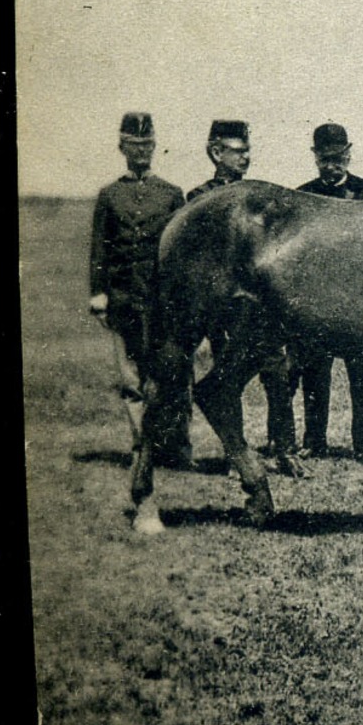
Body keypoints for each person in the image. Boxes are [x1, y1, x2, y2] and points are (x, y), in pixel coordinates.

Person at [188, 119, 299, 467]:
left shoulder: (255, 199)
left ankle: (284, 450)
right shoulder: (198, 200)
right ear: (216, 152)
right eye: (238, 151)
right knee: (228, 377)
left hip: (260, 304)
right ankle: (236, 452)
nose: (245, 158)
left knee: (277, 371)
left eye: (248, 151)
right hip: (223, 306)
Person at [89, 112, 189, 466]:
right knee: (131, 381)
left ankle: (173, 446)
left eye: (147, 145)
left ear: (155, 146)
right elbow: (100, 249)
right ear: (122, 147)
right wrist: (98, 294)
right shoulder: (110, 195)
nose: (141, 151)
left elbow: (181, 252)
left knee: (167, 375)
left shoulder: (171, 195)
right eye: (134, 145)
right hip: (123, 300)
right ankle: (139, 447)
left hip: (162, 302)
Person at [291, 122, 363, 460]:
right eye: (325, 158)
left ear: (349, 153)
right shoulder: (300, 196)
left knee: (362, 374)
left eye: (338, 157)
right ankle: (314, 441)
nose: (332, 164)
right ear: (315, 157)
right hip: (316, 301)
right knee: (315, 375)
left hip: (358, 302)